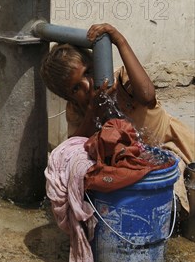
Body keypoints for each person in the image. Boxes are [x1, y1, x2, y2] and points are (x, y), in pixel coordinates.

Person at [41, 23, 195, 215]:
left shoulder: (122, 81)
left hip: (169, 146)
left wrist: (120, 41)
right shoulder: (78, 110)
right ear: (69, 97)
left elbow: (147, 96)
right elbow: (75, 146)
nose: (87, 85)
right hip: (132, 165)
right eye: (75, 88)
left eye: (88, 72)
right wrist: (92, 111)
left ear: (96, 62)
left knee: (178, 190)